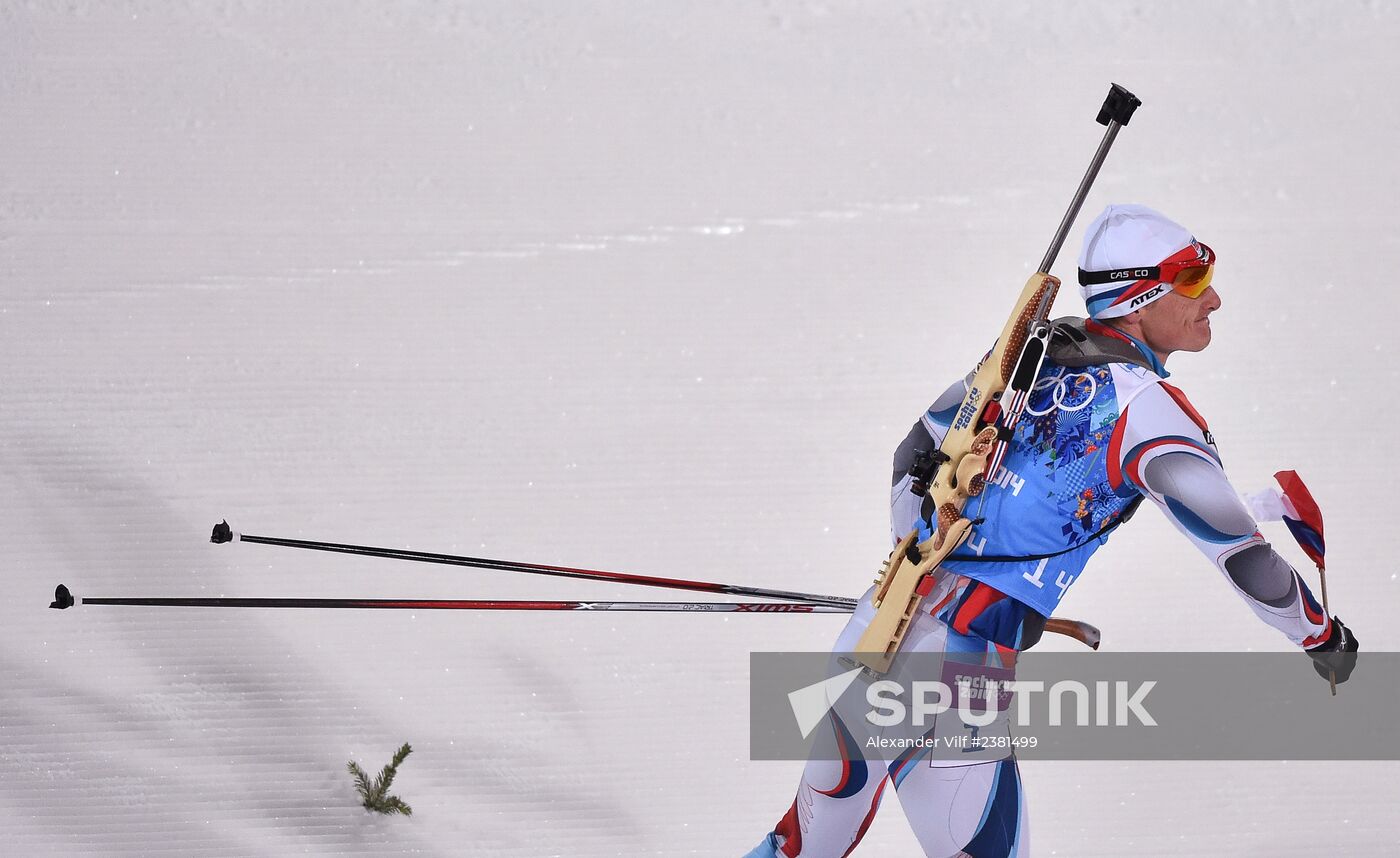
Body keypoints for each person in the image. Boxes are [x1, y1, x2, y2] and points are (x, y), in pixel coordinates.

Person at [744, 204, 1359, 858]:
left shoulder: (1025, 358)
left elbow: (912, 459)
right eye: (1191, 285)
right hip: (960, 673)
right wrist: (1321, 635)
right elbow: (1242, 557)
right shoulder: (1147, 410)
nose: (1213, 299)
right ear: (1138, 299)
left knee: (797, 846)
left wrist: (935, 559)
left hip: (874, 629)